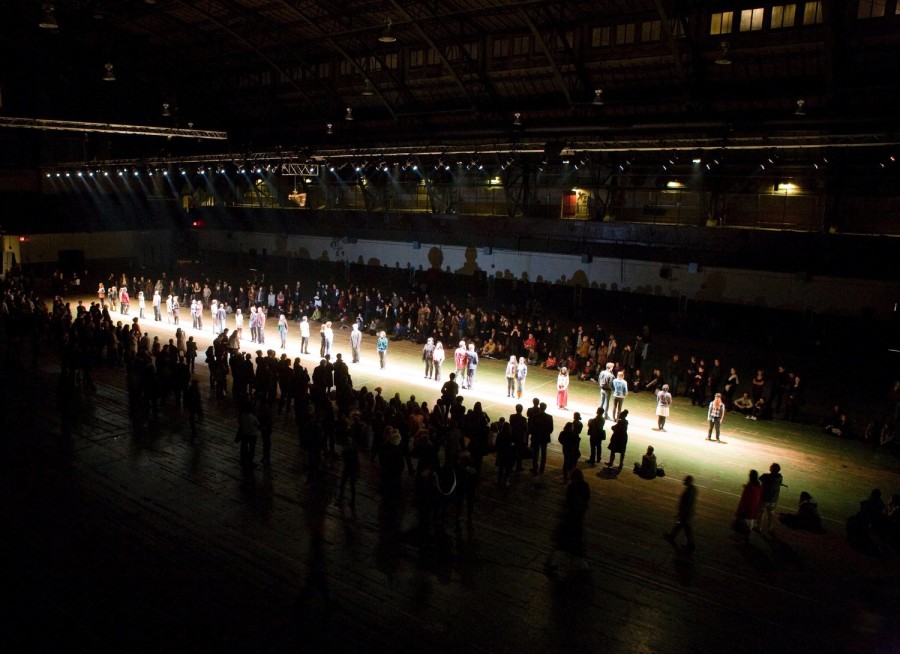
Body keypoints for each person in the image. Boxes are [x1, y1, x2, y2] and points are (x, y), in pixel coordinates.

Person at [547, 468, 590, 579]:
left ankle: (561, 565)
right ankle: (576, 564)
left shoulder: (572, 488)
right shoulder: (585, 487)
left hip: (572, 516)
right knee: (575, 539)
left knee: (566, 540)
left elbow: (568, 501)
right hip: (578, 516)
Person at [664, 476, 697, 551]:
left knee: (685, 527)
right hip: (688, 512)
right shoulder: (693, 489)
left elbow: (686, 503)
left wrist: (681, 512)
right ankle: (673, 536)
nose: (684, 482)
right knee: (682, 526)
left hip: (686, 513)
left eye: (685, 481)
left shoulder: (688, 491)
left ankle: (690, 543)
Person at [735, 469, 762, 542]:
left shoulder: (749, 486)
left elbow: (746, 498)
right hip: (754, 506)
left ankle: (744, 536)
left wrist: (743, 509)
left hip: (748, 507)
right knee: (750, 521)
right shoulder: (758, 485)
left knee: (744, 521)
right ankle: (747, 536)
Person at [758, 463, 784, 535]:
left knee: (761, 513)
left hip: (764, 498)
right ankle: (769, 528)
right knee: (771, 515)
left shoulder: (766, 476)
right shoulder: (780, 477)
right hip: (773, 499)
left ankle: (759, 527)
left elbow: (759, 479)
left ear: (772, 469)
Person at [531, 402, 554, 476]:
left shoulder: (535, 416)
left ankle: (535, 468)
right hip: (544, 437)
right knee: (543, 453)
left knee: (535, 453)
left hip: (537, 437)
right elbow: (551, 428)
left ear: (540, 407)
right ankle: (542, 469)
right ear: (545, 408)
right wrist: (546, 434)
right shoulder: (549, 417)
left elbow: (532, 427)